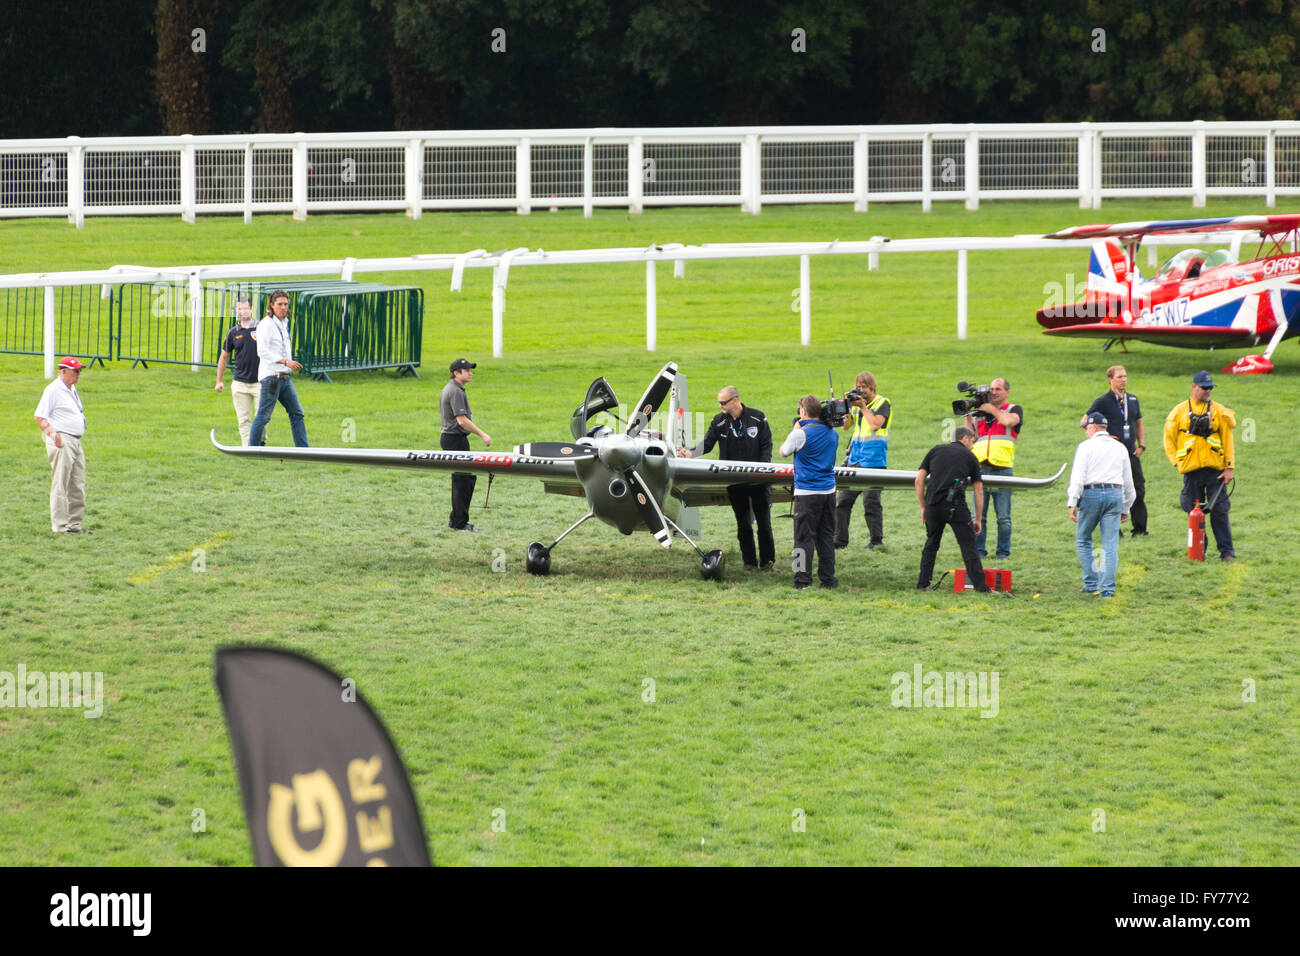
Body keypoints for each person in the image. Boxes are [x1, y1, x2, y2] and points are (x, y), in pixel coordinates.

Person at [678, 386, 774, 570]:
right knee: (743, 523)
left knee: (764, 522)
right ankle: (749, 562)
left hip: (758, 480)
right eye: (719, 403)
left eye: (724, 402)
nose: (721, 406)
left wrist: (762, 470)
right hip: (734, 481)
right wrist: (690, 454)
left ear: (735, 400)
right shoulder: (719, 421)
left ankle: (767, 561)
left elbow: (766, 445)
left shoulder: (757, 417)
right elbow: (707, 444)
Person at [1163, 370, 1236, 562]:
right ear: (1194, 387)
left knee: (1220, 511)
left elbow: (1228, 440)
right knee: (1193, 512)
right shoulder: (1178, 411)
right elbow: (1168, 439)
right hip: (1191, 470)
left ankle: (1227, 553)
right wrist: (1175, 461)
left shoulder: (1219, 411)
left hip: (1216, 471)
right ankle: (1198, 550)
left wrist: (1229, 467)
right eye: (1205, 387)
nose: (1208, 391)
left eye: (1210, 387)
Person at [914, 427, 992, 593]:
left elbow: (919, 480)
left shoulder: (935, 450)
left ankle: (922, 584)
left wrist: (923, 507)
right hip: (956, 507)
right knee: (968, 546)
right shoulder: (970, 457)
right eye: (972, 442)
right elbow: (978, 490)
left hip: (933, 506)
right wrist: (978, 519)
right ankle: (981, 587)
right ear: (965, 438)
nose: (973, 446)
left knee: (931, 544)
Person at [1067, 412, 1136, 597]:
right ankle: (1107, 589)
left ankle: (1091, 584)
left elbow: (1078, 477)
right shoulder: (1120, 447)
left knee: (1083, 539)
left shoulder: (1085, 447)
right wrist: (1126, 506)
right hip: (1115, 495)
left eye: (1086, 429)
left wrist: (1072, 501)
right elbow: (1129, 482)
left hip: (1091, 494)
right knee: (1110, 544)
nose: (1085, 432)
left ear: (1093, 427)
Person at [779, 396, 839, 589]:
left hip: (806, 493)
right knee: (826, 538)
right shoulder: (833, 434)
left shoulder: (800, 434)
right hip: (828, 491)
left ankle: (802, 580)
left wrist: (795, 430)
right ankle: (828, 580)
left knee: (802, 539)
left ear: (803, 412)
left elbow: (783, 451)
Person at [1084, 365, 1147, 536]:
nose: (1123, 380)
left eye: (1125, 376)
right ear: (1110, 380)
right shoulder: (1102, 401)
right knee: (1114, 490)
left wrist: (1141, 445)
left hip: (1131, 453)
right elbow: (1085, 421)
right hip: (1112, 455)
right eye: (1119, 377)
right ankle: (1114, 529)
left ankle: (1140, 529)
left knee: (1138, 488)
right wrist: (1102, 438)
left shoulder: (1132, 400)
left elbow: (1139, 422)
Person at [965, 377, 1022, 560]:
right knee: (977, 516)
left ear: (1007, 392)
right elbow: (970, 438)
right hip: (979, 470)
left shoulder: (1013, 409)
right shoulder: (980, 415)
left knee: (1003, 518)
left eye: (998, 389)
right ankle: (978, 553)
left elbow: (1008, 422)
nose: (994, 392)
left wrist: (991, 409)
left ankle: (1003, 554)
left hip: (1002, 469)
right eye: (991, 389)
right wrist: (968, 416)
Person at [34, 357, 91, 534]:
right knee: (61, 483)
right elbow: (40, 417)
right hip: (62, 440)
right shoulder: (52, 390)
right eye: (75, 371)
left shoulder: (71, 388)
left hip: (75, 440)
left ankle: (75, 525)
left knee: (78, 484)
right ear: (63, 371)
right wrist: (53, 434)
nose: (78, 374)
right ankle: (60, 526)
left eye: (79, 371)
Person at [835, 371, 892, 550]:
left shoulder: (883, 403)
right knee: (842, 500)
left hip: (874, 461)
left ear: (872, 387)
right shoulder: (856, 405)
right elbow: (845, 426)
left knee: (871, 503)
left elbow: (875, 425)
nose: (861, 391)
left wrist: (863, 407)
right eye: (858, 387)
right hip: (855, 458)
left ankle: (876, 541)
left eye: (864, 388)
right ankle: (840, 540)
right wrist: (846, 407)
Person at [248, 290, 309, 447]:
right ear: (272, 305)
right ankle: (252, 449)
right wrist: (285, 362)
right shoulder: (266, 324)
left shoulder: (284, 322)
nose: (283, 307)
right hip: (272, 377)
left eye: (285, 304)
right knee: (263, 415)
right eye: (279, 304)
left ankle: (304, 450)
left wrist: (287, 364)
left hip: (285, 378)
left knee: (297, 413)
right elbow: (261, 351)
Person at [440, 357, 492, 532]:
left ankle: (458, 519)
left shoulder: (455, 389)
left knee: (466, 478)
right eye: (467, 370)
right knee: (462, 480)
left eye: (470, 369)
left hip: (455, 439)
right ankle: (458, 522)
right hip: (454, 439)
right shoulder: (455, 391)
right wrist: (482, 434)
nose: (470, 372)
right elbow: (462, 421)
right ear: (456, 373)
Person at [214, 296, 261, 446]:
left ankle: (261, 441)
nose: (242, 311)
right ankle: (248, 449)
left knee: (263, 418)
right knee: (243, 419)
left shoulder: (261, 328)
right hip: (240, 383)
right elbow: (224, 357)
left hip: (261, 382)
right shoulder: (233, 332)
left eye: (245, 308)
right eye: (239, 308)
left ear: (251, 308)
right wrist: (219, 381)